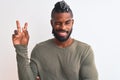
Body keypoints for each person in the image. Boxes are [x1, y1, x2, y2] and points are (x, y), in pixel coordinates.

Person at [12, 1, 98, 80]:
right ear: (52, 23)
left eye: (67, 23)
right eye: (58, 23)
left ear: (72, 23)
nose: (63, 27)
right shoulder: (39, 50)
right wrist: (21, 48)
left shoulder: (85, 51)